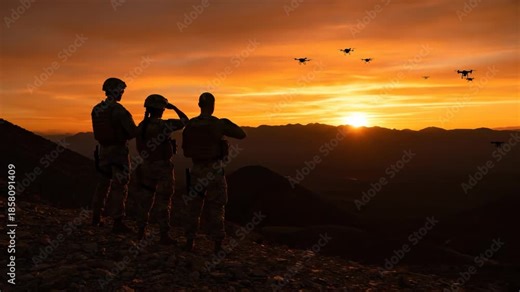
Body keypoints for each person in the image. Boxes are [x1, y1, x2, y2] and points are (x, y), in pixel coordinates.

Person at [182, 92, 246, 252]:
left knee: (193, 207)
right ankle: (217, 245)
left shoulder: (190, 125)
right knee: (216, 206)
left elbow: (185, 149)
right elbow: (241, 134)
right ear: (213, 106)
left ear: (199, 105)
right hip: (214, 170)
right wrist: (225, 123)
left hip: (196, 169)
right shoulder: (218, 124)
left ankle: (189, 242)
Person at [134, 94, 189, 244]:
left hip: (146, 165)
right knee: (164, 201)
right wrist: (175, 108)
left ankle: (140, 231)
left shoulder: (141, 125)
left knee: (145, 199)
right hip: (162, 167)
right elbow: (185, 121)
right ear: (162, 109)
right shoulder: (165, 125)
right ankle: (164, 235)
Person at [91, 77, 137, 233]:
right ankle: (117, 223)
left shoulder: (96, 108)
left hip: (103, 151)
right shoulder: (119, 110)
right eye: (121, 90)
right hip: (118, 152)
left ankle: (96, 218)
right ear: (115, 91)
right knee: (119, 187)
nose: (122, 93)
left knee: (102, 185)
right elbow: (132, 132)